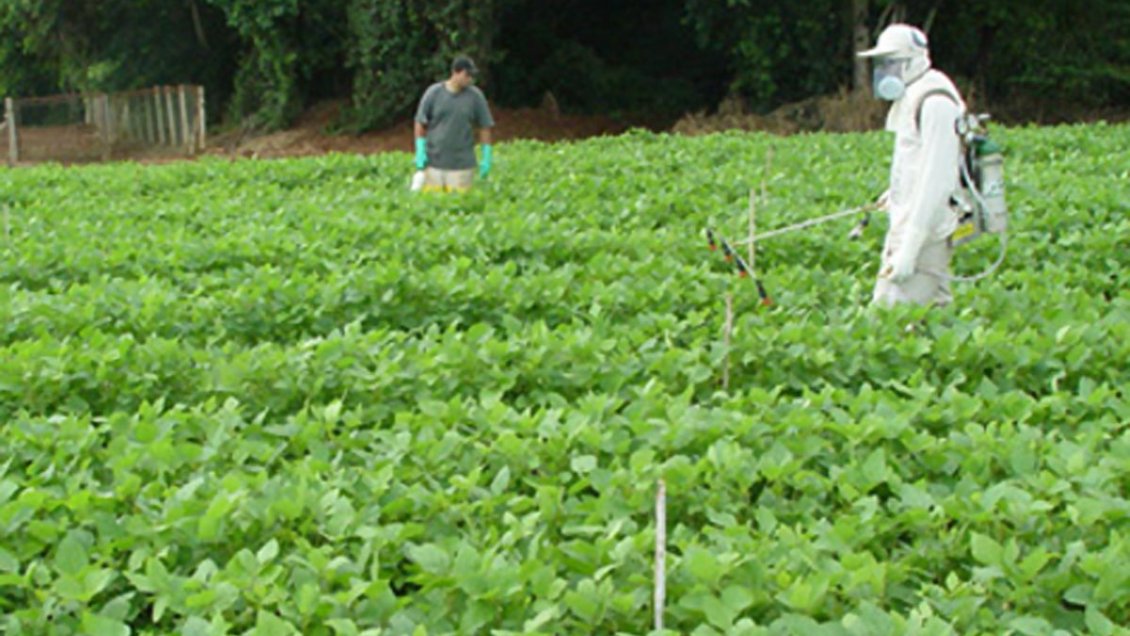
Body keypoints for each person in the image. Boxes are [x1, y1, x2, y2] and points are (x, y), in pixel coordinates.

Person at [859, 24, 966, 307]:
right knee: (935, 312)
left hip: (924, 231)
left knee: (888, 315)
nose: (884, 71)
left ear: (913, 61)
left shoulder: (935, 102)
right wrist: (894, 194)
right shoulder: (913, 95)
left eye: (891, 62)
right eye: (881, 63)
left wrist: (909, 250)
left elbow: (937, 180)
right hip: (909, 221)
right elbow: (914, 163)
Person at [413, 55, 495, 193]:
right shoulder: (433, 93)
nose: (470, 79)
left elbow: (484, 126)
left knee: (458, 203)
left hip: (462, 165)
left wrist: (486, 155)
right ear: (456, 72)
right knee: (433, 204)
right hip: (434, 163)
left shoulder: (475, 97)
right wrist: (420, 150)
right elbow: (420, 122)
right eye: (467, 75)